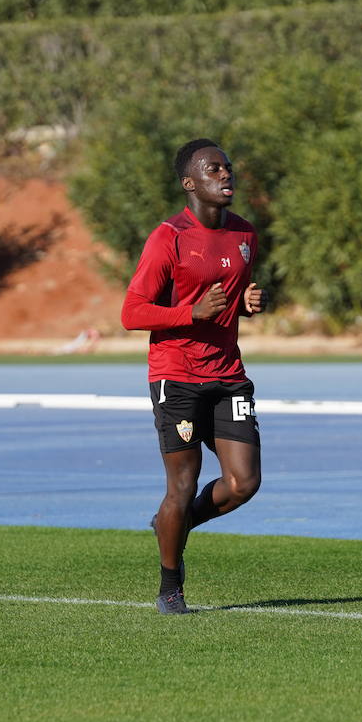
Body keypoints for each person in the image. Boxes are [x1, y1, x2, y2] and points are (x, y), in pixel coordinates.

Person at [121, 138, 268, 615]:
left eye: (227, 167)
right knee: (180, 488)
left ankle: (173, 525)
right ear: (190, 183)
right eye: (213, 170)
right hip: (176, 376)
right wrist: (190, 313)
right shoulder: (169, 236)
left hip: (228, 374)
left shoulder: (245, 234)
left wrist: (248, 304)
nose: (226, 175)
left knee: (243, 482)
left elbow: (233, 295)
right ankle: (170, 587)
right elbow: (131, 312)